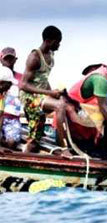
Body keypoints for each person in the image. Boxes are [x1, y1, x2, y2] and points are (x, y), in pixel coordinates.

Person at [20, 25, 75, 154]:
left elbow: (43, 80)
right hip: (28, 97)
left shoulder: (50, 55)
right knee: (59, 106)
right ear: (48, 41)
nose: (59, 46)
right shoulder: (34, 57)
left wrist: (53, 93)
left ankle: (25, 158)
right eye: (57, 43)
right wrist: (49, 93)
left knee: (34, 141)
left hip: (39, 97)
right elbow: (23, 85)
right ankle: (63, 147)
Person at [68, 53, 107, 139]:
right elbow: (103, 107)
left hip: (81, 107)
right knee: (103, 119)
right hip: (73, 109)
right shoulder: (101, 79)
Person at [0, 47, 22, 149]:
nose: (9, 61)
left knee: (11, 143)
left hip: (13, 119)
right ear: (1, 59)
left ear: (15, 59)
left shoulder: (22, 78)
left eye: (11, 58)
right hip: (1, 117)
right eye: (6, 58)